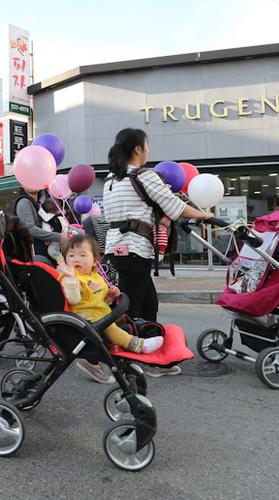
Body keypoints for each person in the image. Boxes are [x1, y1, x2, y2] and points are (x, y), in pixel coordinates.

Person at [103, 128, 213, 377]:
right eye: (147, 145)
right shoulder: (144, 175)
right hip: (136, 250)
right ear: (138, 149)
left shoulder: (111, 179)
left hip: (117, 249)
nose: (149, 150)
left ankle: (152, 358)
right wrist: (205, 215)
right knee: (128, 311)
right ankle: (109, 360)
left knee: (148, 304)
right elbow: (175, 206)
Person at [56, 234, 164, 382]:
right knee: (108, 325)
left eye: (82, 255)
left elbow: (97, 299)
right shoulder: (73, 279)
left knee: (121, 319)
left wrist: (110, 296)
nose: (76, 259)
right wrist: (70, 279)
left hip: (98, 313)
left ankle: (134, 337)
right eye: (71, 255)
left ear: (95, 261)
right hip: (82, 318)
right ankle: (136, 345)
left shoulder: (94, 276)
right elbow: (73, 299)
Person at [15, 187, 67, 266]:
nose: (32, 183)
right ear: (21, 184)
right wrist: (59, 237)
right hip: (35, 257)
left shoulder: (38, 204)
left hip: (43, 255)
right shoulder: (24, 202)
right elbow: (29, 228)